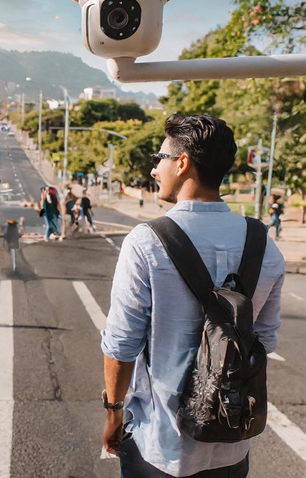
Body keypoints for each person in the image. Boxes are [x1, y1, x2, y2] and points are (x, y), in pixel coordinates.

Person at [101, 114, 284, 477]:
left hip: (159, 445)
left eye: (159, 158)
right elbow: (263, 340)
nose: (155, 170)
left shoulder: (146, 242)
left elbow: (121, 346)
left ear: (182, 163)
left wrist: (113, 413)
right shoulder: (265, 246)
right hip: (230, 446)